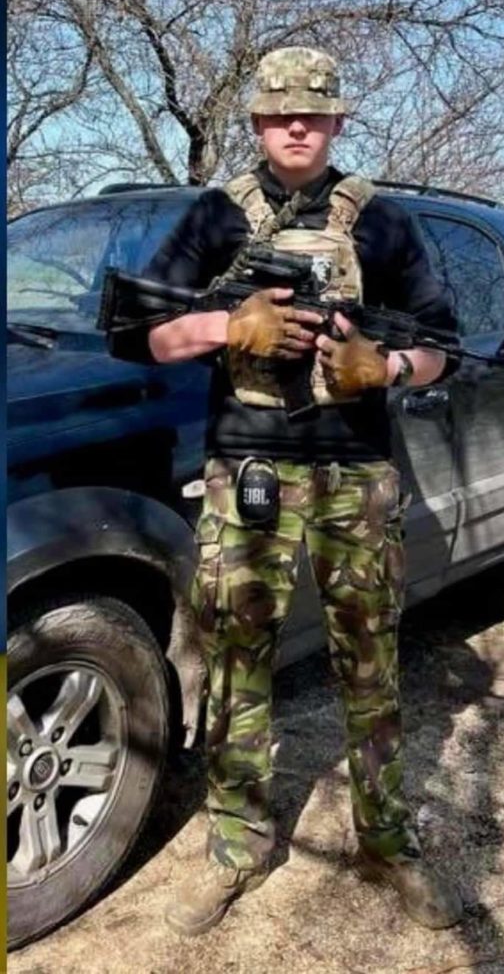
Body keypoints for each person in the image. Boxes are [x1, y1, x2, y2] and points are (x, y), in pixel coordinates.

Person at [121, 47, 463, 936]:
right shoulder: (214, 215)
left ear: (339, 119)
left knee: (370, 661)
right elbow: (141, 334)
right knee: (237, 663)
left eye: (312, 111)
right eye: (278, 113)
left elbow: (443, 346)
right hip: (247, 472)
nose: (296, 125)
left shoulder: (381, 221)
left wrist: (384, 367)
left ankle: (386, 844)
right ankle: (236, 849)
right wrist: (227, 322)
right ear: (258, 123)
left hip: (356, 475)